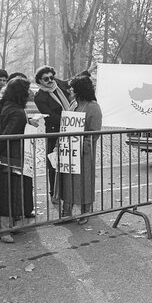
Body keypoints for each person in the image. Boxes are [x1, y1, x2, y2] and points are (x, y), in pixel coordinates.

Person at [0, 77, 34, 243]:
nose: (29, 93)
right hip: (12, 156)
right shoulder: (17, 111)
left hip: (6, 156)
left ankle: (10, 225)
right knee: (10, 190)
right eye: (27, 90)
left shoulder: (5, 106)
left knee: (9, 189)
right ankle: (5, 228)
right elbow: (6, 135)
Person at [54, 75, 102, 225]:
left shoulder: (93, 107)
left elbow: (94, 133)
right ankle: (67, 210)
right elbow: (66, 126)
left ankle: (85, 211)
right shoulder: (74, 104)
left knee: (84, 181)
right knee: (68, 181)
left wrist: (82, 145)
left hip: (84, 152)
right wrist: (60, 143)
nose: (70, 90)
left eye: (73, 88)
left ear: (80, 90)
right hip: (70, 150)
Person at [34, 66, 72, 197]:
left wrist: (89, 71)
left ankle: (67, 188)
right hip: (54, 130)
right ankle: (53, 190)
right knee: (53, 160)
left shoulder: (59, 84)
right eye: (46, 79)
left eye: (52, 77)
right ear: (39, 81)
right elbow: (49, 114)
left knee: (70, 158)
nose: (50, 80)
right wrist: (67, 120)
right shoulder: (40, 97)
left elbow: (71, 81)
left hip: (70, 127)